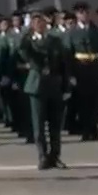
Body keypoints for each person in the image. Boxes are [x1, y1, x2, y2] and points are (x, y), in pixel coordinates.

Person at [21, 11, 68, 170]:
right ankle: (42, 156)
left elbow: (63, 64)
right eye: (35, 23)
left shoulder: (55, 41)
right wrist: (26, 32)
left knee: (55, 125)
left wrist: (66, 86)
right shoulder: (29, 41)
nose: (39, 25)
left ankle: (55, 156)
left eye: (41, 22)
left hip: (54, 85)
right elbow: (23, 51)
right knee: (38, 125)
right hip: (37, 86)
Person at [68, 2, 98, 141]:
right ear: (77, 15)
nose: (83, 15)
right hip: (80, 69)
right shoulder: (72, 31)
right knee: (82, 101)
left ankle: (94, 128)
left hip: (94, 67)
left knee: (95, 100)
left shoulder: (96, 30)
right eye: (80, 12)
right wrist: (70, 74)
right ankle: (85, 129)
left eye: (85, 12)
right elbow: (69, 54)